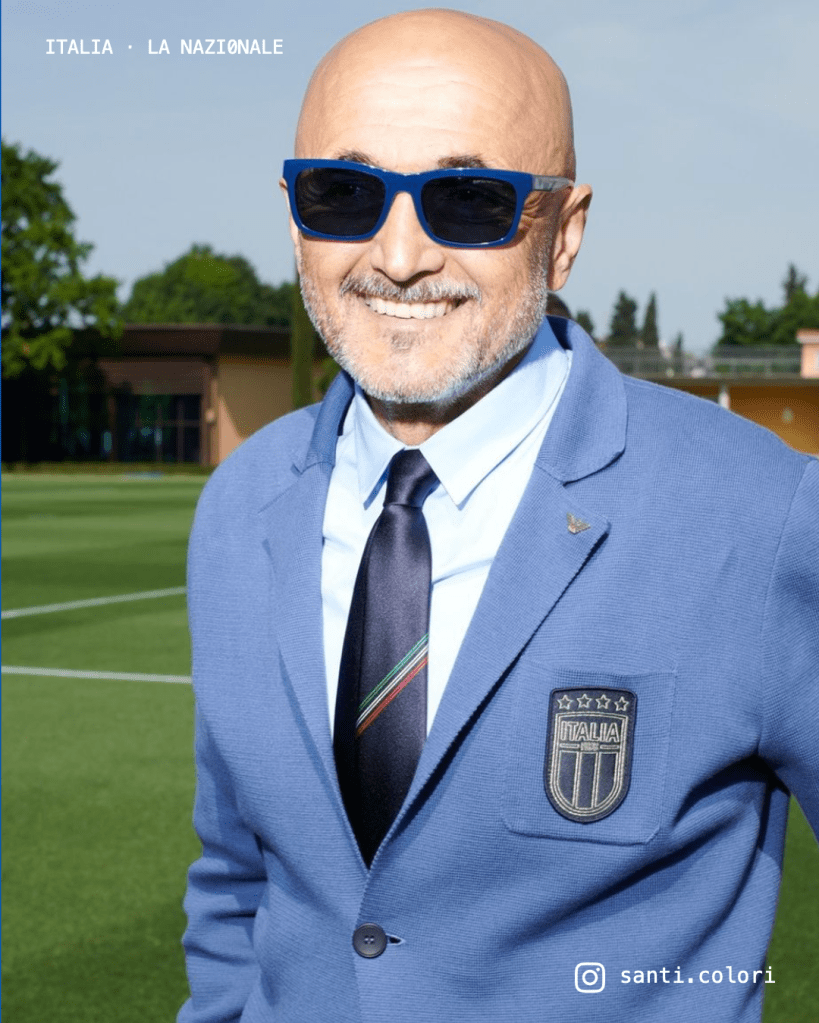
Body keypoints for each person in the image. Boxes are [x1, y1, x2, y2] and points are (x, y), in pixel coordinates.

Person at [178, 10, 818, 1022]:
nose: (397, 255)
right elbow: (234, 880)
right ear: (295, 213)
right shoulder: (237, 506)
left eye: (468, 201)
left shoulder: (766, 513)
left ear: (564, 234)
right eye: (343, 193)